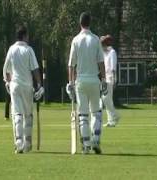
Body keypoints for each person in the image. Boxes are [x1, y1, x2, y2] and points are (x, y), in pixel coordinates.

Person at [66, 12, 105, 154]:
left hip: (80, 81)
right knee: (96, 112)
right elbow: (101, 62)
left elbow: (71, 65)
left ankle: (87, 144)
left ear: (80, 23)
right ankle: (95, 138)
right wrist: (104, 80)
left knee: (83, 114)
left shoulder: (76, 40)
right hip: (94, 80)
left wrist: (70, 82)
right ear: (90, 23)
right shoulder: (95, 40)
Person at [3, 25, 44, 154]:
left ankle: (19, 142)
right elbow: (35, 69)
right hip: (27, 86)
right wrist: (40, 85)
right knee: (28, 115)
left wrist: (8, 83)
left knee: (17, 114)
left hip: (15, 86)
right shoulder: (29, 50)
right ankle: (27, 142)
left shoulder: (11, 49)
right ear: (25, 36)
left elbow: (6, 70)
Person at [100, 35, 120, 127]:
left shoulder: (112, 52)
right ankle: (111, 120)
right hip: (105, 78)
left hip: (110, 77)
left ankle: (115, 116)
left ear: (105, 44)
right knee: (107, 99)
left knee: (106, 99)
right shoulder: (104, 53)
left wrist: (114, 79)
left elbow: (113, 68)